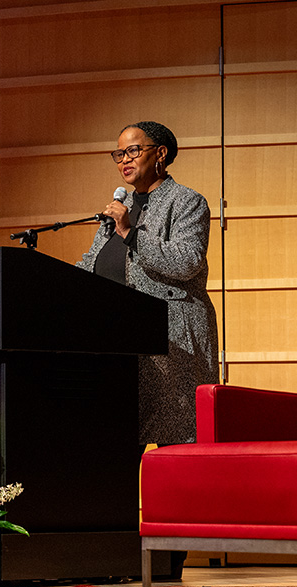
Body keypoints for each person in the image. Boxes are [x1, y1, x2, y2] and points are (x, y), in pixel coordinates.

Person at [76, 121, 219, 447]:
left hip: (170, 340)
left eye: (132, 151)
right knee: (119, 443)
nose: (124, 160)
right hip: (119, 342)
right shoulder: (118, 210)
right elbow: (92, 263)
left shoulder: (187, 202)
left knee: (177, 440)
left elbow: (186, 262)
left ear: (161, 153)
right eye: (118, 154)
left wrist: (130, 232)